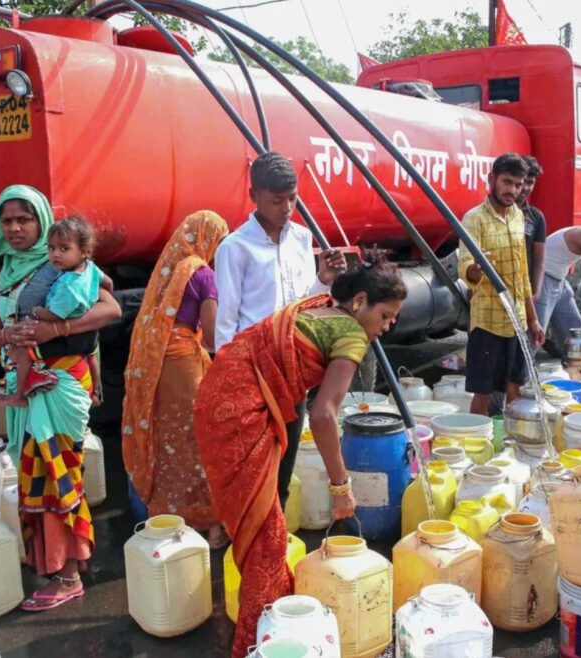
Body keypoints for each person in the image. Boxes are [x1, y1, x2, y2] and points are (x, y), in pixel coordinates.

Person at [195, 252, 406, 658]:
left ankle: (273, 631)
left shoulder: (320, 306)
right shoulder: (352, 335)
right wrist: (341, 486)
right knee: (268, 543)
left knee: (260, 526)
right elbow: (324, 415)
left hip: (218, 397)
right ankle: (259, 646)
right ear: (360, 301)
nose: (389, 325)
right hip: (241, 415)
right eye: (386, 315)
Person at [0, 185, 121, 612]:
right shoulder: (8, 271)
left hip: (58, 383)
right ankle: (53, 562)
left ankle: (69, 575)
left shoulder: (63, 265)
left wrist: (53, 330)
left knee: (59, 474)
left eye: (24, 219)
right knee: (34, 474)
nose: (15, 228)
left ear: (41, 221)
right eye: (7, 220)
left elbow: (111, 310)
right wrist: (8, 335)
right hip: (22, 384)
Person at [214, 151, 346, 508]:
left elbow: (307, 303)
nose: (287, 207)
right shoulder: (235, 248)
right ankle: (250, 541)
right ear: (254, 195)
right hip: (253, 370)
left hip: (293, 366)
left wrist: (324, 279)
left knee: (285, 458)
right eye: (277, 200)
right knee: (255, 463)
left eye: (293, 198)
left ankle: (276, 538)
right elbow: (226, 320)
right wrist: (230, 378)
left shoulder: (302, 240)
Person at [122, 210, 229, 549]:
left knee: (166, 443)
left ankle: (170, 522)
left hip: (156, 365)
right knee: (199, 441)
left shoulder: (167, 272)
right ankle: (211, 526)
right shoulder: (203, 274)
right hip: (184, 365)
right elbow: (213, 334)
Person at [457, 152, 545, 416]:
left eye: (518, 185)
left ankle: (511, 442)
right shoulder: (474, 218)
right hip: (488, 323)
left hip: (516, 321)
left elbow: (522, 275)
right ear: (492, 179)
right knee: (482, 393)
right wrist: (476, 269)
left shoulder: (518, 216)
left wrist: (533, 320)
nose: (513, 190)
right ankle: (478, 441)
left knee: (514, 388)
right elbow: (465, 268)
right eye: (507, 182)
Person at [1, 216, 103, 407]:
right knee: (92, 356)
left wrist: (37, 313)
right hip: (87, 332)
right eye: (51, 248)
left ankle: (20, 395)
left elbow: (55, 315)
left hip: (62, 335)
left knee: (25, 352)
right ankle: (96, 393)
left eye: (64, 249)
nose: (56, 254)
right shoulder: (89, 269)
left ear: (84, 252)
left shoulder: (68, 282)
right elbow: (108, 283)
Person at [519, 155, 548, 299]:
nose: (525, 188)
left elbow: (539, 261)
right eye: (522, 182)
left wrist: (535, 293)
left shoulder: (536, 217)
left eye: (530, 183)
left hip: (524, 292)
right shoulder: (495, 213)